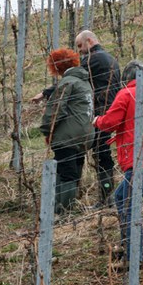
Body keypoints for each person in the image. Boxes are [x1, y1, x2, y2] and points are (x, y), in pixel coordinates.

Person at [33, 31, 121, 206]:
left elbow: (71, 79)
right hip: (111, 114)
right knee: (103, 156)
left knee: (78, 157)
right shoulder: (112, 60)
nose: (80, 51)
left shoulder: (91, 59)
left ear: (89, 41)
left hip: (95, 115)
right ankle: (106, 196)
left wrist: (45, 93)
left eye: (80, 46)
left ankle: (73, 202)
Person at [93, 60, 143, 264]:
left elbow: (110, 122)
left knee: (127, 203)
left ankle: (134, 256)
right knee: (121, 197)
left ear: (127, 79)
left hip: (141, 157)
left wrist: (97, 121)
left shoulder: (127, 94)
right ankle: (129, 248)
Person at [39, 48, 94, 214]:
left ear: (56, 67)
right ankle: (65, 208)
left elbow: (57, 109)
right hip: (85, 135)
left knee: (66, 173)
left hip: (67, 136)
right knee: (74, 170)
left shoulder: (67, 82)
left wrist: (46, 128)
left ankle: (62, 212)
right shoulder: (85, 82)